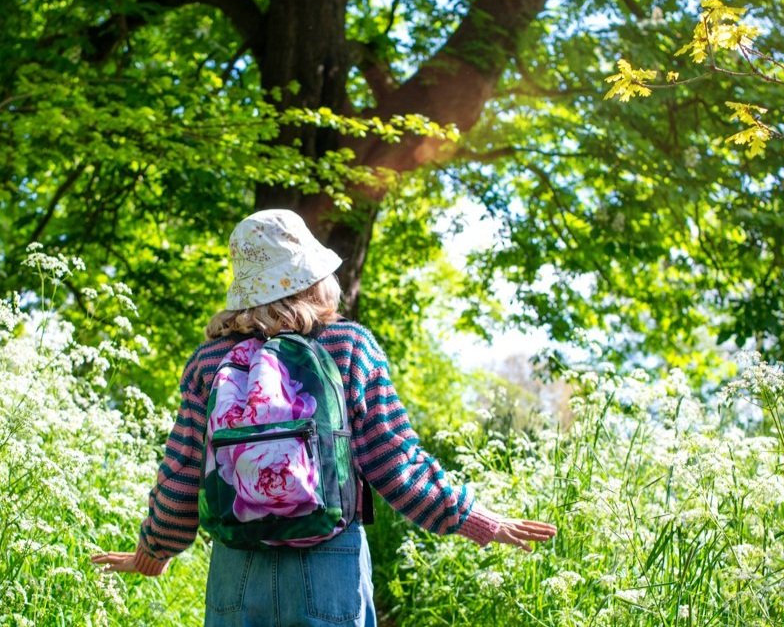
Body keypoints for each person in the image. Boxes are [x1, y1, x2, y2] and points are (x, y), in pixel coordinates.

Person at [92, 209, 558, 626]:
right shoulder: (348, 346)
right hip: (328, 565)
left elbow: (180, 475)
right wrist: (473, 517)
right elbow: (396, 464)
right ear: (315, 278)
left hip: (237, 571)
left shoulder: (211, 360)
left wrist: (155, 550)